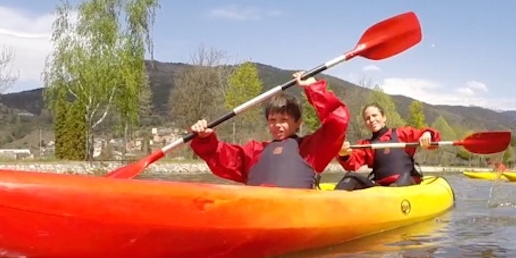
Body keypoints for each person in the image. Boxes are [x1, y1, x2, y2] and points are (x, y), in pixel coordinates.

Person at [188, 72, 349, 189]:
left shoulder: (310, 149)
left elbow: (338, 121)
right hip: (259, 210)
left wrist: (314, 88)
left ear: (298, 123)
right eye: (272, 120)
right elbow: (220, 156)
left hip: (296, 211)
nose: (277, 125)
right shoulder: (254, 151)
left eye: (284, 120)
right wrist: (204, 138)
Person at [334, 103, 441, 190]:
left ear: (384, 117)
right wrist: (344, 155)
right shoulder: (366, 145)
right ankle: (332, 204)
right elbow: (351, 163)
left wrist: (428, 134)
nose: (371, 120)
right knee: (350, 177)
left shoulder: (401, 133)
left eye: (374, 115)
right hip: (380, 187)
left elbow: (429, 137)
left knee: (404, 178)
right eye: (367, 118)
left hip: (405, 182)